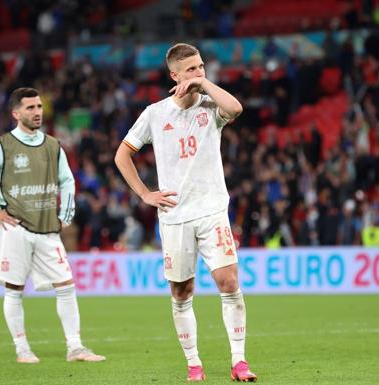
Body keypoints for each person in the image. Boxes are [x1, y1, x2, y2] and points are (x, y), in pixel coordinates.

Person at [114, 43, 257, 382]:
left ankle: (239, 362)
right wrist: (145, 194)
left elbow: (235, 108)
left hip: (212, 210)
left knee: (229, 280)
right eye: (191, 70)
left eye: (201, 66)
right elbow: (122, 155)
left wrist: (204, 84)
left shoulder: (211, 105)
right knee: (182, 291)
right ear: (173, 76)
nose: (199, 73)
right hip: (175, 216)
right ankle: (194, 364)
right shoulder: (155, 114)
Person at [0, 87, 105, 364]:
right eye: (30, 108)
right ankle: (22, 349)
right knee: (14, 289)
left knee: (66, 285)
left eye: (39, 107)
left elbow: (67, 181)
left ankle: (75, 347)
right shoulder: (1, 146)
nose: (37, 112)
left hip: (48, 229)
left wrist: (66, 213)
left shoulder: (53, 145)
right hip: (15, 229)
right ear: (16, 113)